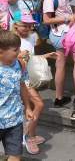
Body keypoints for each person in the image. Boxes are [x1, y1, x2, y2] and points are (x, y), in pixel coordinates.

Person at [13, 12, 57, 155]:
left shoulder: (32, 37)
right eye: (24, 25)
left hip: (28, 77)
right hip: (19, 79)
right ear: (15, 25)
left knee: (33, 106)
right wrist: (18, 56)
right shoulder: (12, 41)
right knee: (38, 104)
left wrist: (45, 56)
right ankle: (27, 136)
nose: (27, 28)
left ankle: (30, 134)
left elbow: (30, 58)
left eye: (30, 25)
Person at [42, 0, 75, 108]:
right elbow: (46, 20)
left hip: (65, 33)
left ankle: (60, 97)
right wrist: (67, 18)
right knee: (73, 64)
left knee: (62, 65)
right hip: (61, 33)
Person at [0, 30, 34, 161]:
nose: (19, 52)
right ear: (1, 51)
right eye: (15, 50)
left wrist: (28, 107)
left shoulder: (19, 65)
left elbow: (22, 86)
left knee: (15, 156)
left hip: (15, 121)